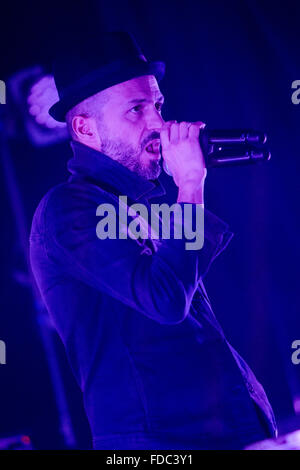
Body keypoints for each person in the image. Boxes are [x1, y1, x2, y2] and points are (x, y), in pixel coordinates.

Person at [29, 31, 277, 450]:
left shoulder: (143, 206)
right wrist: (191, 183)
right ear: (85, 128)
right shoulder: (66, 210)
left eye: (158, 106)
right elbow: (164, 300)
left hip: (231, 427)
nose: (158, 124)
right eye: (136, 109)